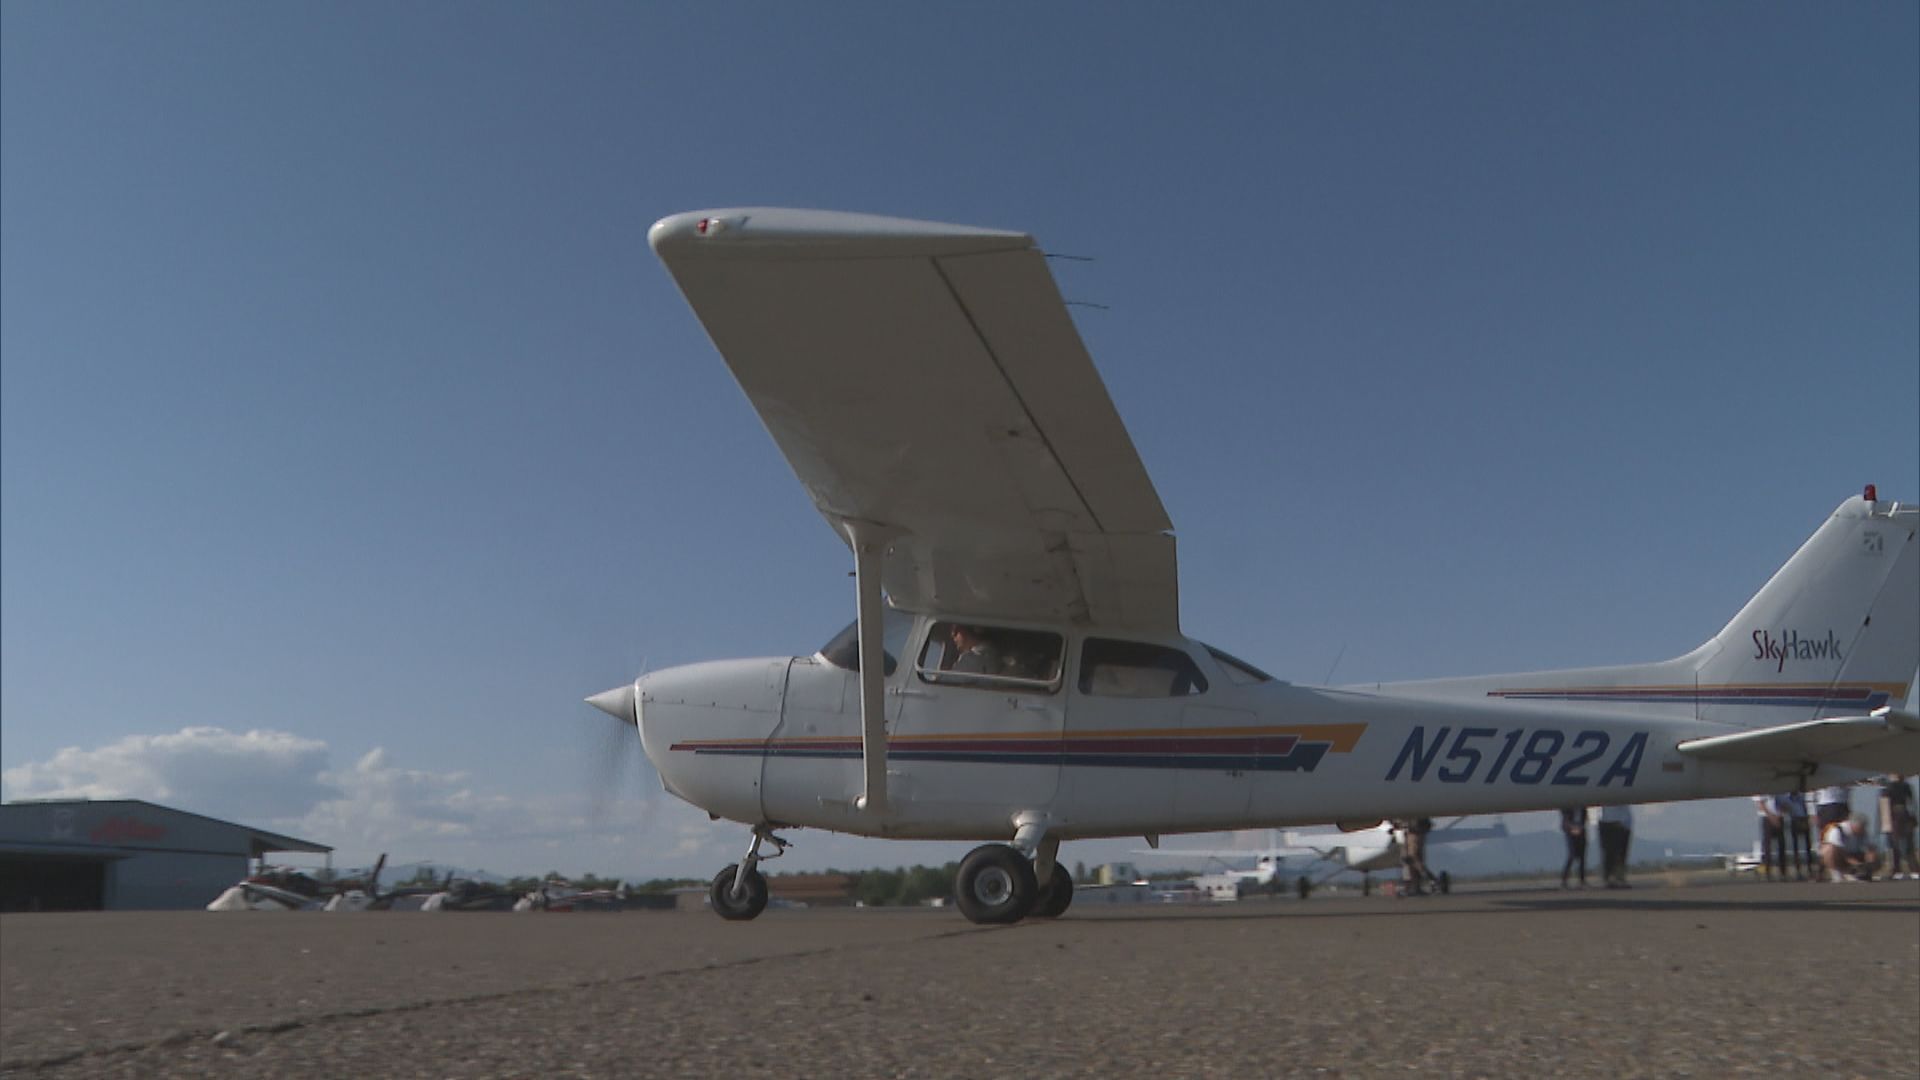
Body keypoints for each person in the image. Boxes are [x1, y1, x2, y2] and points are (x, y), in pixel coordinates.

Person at [1820, 813, 1882, 882]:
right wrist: (1856, 864)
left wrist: (1870, 860)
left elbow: (1870, 847)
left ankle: (1863, 874)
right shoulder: (1837, 830)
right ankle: (1838, 874)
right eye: (1861, 828)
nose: (1863, 830)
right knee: (1830, 850)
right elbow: (1840, 852)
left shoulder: (1863, 832)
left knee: (1874, 855)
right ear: (1853, 825)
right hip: (1840, 856)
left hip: (1855, 854)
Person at [1878, 774, 1916, 880]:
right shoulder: (1889, 788)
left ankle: (1910, 868)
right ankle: (1896, 868)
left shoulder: (1904, 786)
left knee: (1906, 844)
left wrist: (1912, 819)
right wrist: (1886, 823)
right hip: (1895, 818)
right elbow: (1885, 805)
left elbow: (1911, 804)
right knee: (1894, 844)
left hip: (1902, 817)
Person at [1753, 793, 1787, 881]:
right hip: (1766, 818)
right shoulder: (1762, 789)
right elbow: (1760, 804)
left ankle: (1783, 872)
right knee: (1767, 846)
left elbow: (1784, 802)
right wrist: (1771, 817)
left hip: (1779, 816)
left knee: (1782, 845)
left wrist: (1780, 814)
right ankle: (1767, 872)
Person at [1598, 803, 1633, 888]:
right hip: (1608, 821)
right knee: (1609, 853)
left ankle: (1619, 878)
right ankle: (1610, 878)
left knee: (1621, 854)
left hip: (1623, 821)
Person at [1784, 789, 1813, 881]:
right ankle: (1798, 870)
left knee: (1808, 845)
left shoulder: (1804, 794)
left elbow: (1808, 804)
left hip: (1804, 818)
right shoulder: (1788, 797)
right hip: (1795, 819)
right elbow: (1786, 806)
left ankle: (1809, 869)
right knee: (1795, 846)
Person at [1559, 805, 1589, 888]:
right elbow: (1565, 820)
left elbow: (1585, 817)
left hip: (1581, 831)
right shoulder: (1567, 807)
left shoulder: (1583, 807)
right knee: (1572, 855)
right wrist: (1572, 828)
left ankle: (1582, 880)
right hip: (1570, 831)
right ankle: (1564, 880)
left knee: (1582, 856)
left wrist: (1580, 827)